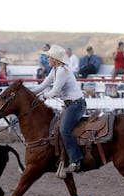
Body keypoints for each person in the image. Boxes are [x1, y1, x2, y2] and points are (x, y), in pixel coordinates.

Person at [31, 44, 86, 173]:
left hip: (76, 104)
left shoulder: (62, 71)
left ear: (55, 59)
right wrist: (29, 93)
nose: (47, 59)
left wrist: (43, 97)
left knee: (64, 129)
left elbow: (55, 91)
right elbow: (44, 85)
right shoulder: (55, 70)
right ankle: (64, 157)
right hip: (71, 105)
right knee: (56, 128)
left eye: (49, 57)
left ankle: (76, 160)